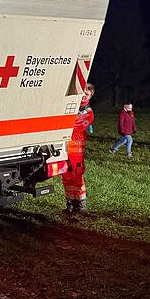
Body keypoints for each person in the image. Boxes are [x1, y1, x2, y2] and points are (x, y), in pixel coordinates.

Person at [62, 83, 95, 214]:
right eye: (82, 93)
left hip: (76, 151)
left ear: (91, 95)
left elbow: (74, 126)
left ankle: (81, 205)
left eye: (86, 94)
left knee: (77, 178)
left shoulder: (88, 112)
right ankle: (70, 204)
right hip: (65, 148)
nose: (83, 96)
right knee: (66, 177)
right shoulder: (73, 107)